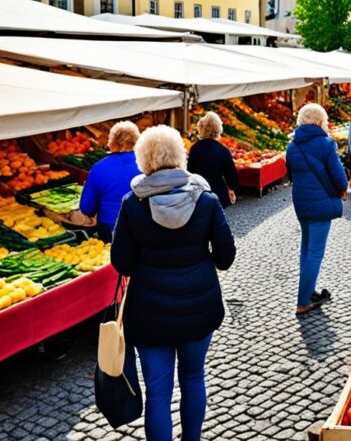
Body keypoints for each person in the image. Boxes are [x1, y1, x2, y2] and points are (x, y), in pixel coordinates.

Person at [111, 125, 235, 441]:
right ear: (180, 155)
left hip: (149, 313)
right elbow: (225, 256)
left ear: (144, 158)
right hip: (198, 307)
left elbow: (122, 264)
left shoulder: (131, 203)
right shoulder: (205, 199)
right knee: (193, 378)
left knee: (158, 392)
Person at [286, 104, 348, 315]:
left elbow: (290, 175)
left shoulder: (292, 145)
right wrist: (343, 189)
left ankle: (309, 290)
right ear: (320, 121)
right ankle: (303, 301)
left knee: (306, 250)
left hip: (302, 202)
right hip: (321, 203)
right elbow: (339, 176)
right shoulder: (326, 144)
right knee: (315, 253)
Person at [79, 121, 141, 242]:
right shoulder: (148, 164)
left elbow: (86, 208)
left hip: (110, 228)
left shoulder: (98, 168)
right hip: (143, 225)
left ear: (111, 142)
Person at [188, 112, 238, 209]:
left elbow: (190, 172)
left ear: (201, 128)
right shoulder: (223, 150)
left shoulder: (195, 149)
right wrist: (231, 189)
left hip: (200, 193)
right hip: (219, 194)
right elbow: (232, 176)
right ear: (218, 130)